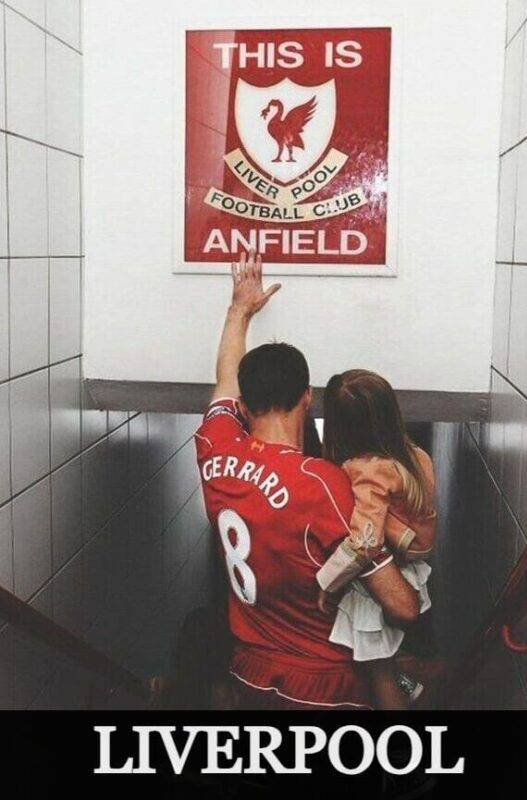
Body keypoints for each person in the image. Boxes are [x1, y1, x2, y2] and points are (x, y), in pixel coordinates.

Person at [194, 250, 419, 710]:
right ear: (307, 398)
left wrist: (239, 310)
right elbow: (402, 607)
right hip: (323, 687)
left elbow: (223, 380)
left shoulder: (212, 447)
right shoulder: (320, 483)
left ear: (243, 404)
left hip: (249, 677)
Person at [317, 370, 437, 709]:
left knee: (377, 669)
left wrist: (329, 582)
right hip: (412, 563)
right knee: (383, 658)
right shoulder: (415, 455)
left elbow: (365, 541)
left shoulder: (368, 470)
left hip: (385, 575)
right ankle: (406, 683)